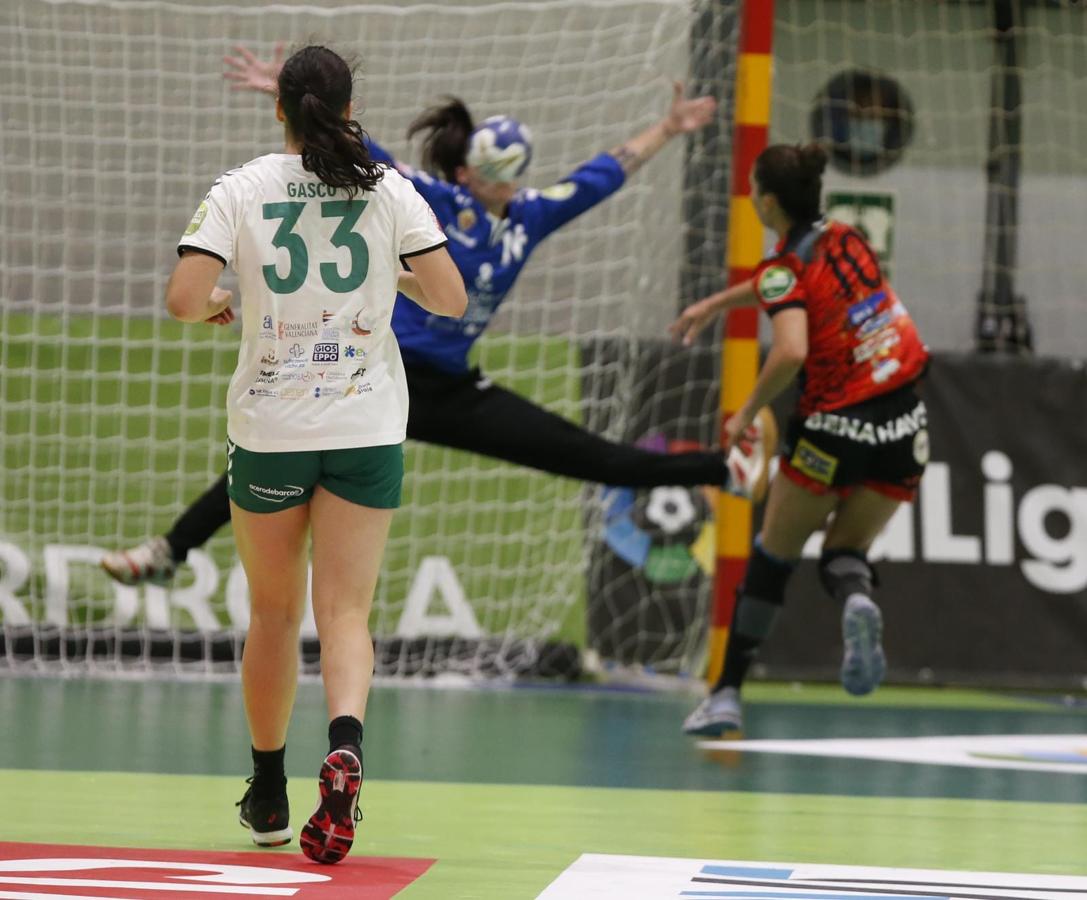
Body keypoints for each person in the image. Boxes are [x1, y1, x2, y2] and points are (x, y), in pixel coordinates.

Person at [101, 46, 774, 587]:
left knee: (583, 455)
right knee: (271, 459)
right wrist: (280, 92)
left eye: (512, 173)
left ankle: (721, 472)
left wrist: (667, 127)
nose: (502, 183)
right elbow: (339, 139)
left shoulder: (530, 217)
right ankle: (168, 551)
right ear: (467, 168)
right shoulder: (423, 194)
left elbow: (603, 174)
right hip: (375, 371)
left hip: (450, 390)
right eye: (492, 170)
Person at [165, 45, 466, 861]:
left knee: (273, 613)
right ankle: (347, 747)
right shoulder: (387, 186)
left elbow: (183, 300)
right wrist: (386, 277)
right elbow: (450, 298)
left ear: (280, 110)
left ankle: (268, 789)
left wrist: (224, 303)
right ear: (346, 104)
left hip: (271, 430)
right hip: (365, 427)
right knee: (345, 612)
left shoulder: (242, 187)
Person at [672, 143, 929, 737]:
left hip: (833, 426)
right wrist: (717, 301)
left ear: (766, 201)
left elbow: (791, 348)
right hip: (905, 418)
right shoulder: (848, 236)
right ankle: (856, 598)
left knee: (772, 557)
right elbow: (785, 284)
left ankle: (727, 695)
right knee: (844, 550)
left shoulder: (784, 267)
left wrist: (745, 414)